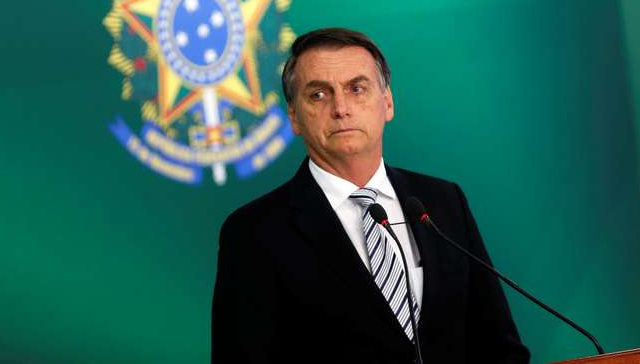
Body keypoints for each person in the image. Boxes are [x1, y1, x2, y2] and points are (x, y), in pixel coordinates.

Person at [211, 28, 530, 363]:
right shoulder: (253, 232)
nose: (341, 108)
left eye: (357, 88)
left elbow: (499, 347)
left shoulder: (442, 202)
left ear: (387, 102)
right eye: (318, 95)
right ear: (294, 117)